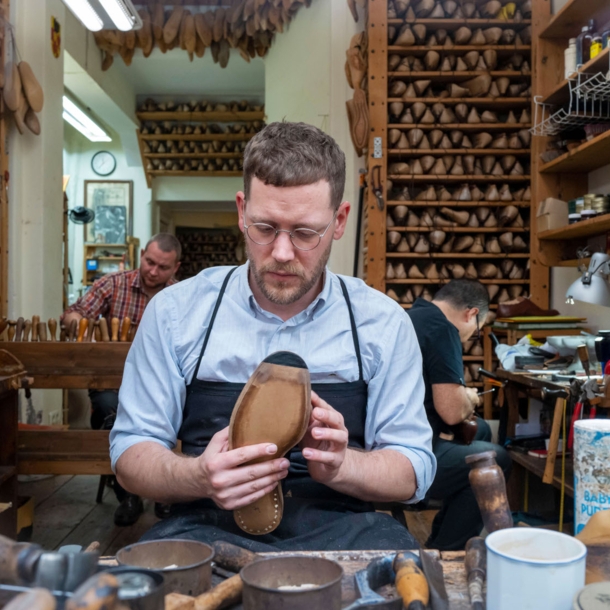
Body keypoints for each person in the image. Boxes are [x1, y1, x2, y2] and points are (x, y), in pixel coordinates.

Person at [110, 122, 436, 552]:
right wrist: (200, 476)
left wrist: (342, 467)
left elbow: (413, 468)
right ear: (242, 211)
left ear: (339, 221)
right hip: (205, 525)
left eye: (304, 233)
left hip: (345, 531)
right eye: (265, 228)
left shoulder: (383, 323)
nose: (282, 253)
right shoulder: (176, 313)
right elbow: (131, 452)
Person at [62, 233, 181, 526]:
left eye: (162, 267)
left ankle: (168, 491)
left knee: (180, 416)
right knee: (109, 410)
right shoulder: (113, 284)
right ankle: (127, 492)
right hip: (111, 382)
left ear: (176, 267)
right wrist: (81, 325)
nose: (153, 271)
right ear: (142, 255)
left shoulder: (181, 296)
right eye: (149, 262)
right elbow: (73, 314)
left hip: (160, 387)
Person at [407, 280, 511, 550]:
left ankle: (439, 538)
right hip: (405, 451)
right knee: (495, 461)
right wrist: (470, 398)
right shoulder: (443, 329)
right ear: (471, 314)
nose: (470, 338)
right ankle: (447, 552)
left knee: (482, 431)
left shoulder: (414, 315)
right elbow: (452, 412)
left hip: (391, 435)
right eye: (477, 332)